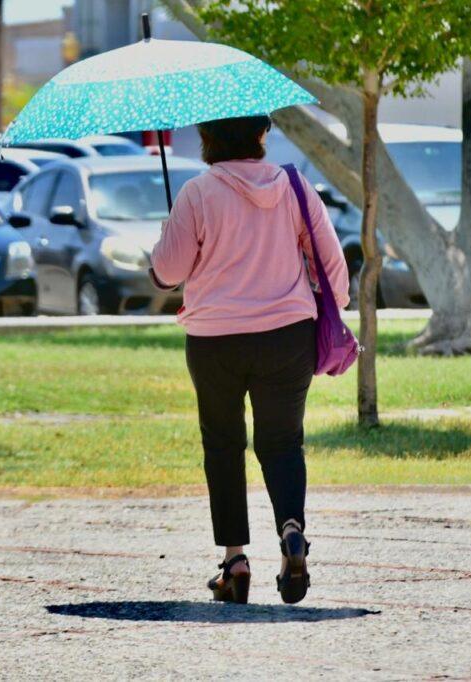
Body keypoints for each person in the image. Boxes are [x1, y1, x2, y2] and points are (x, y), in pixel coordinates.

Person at [149, 114, 349, 605]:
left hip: (215, 338)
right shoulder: (295, 188)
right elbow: (336, 275)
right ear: (262, 136)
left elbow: (166, 271)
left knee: (223, 444)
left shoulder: (197, 193)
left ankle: (235, 561)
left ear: (207, 138)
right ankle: (291, 531)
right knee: (282, 443)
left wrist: (166, 236)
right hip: (287, 336)